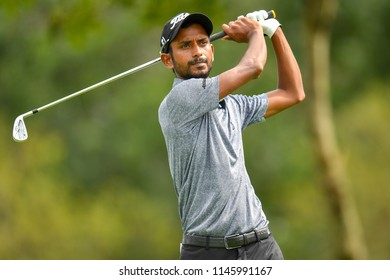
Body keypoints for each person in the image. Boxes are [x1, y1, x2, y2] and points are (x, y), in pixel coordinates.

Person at [158, 10, 305, 260]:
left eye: (203, 42)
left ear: (212, 51)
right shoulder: (179, 101)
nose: (197, 52)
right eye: (185, 45)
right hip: (209, 252)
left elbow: (292, 93)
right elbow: (254, 66)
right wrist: (256, 32)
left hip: (261, 245)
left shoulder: (232, 106)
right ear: (168, 60)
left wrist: (275, 30)